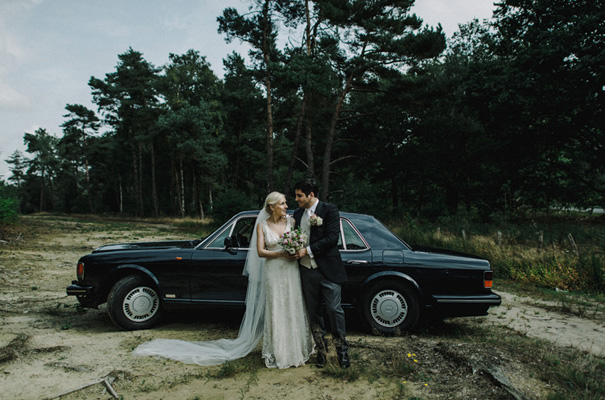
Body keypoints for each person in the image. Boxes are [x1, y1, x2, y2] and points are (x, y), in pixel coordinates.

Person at [132, 192, 314, 369]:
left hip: (290, 270)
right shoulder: (262, 226)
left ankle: (296, 350)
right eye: (282, 203)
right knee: (276, 308)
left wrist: (298, 248)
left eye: (285, 203)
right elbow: (260, 252)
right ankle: (281, 352)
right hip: (273, 271)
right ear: (272, 207)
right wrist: (282, 253)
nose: (286, 206)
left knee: (293, 306)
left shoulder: (292, 221)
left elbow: (303, 237)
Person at [293, 178, 350, 369]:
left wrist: (307, 250)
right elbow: (295, 237)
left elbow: (332, 238)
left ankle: (342, 352)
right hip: (306, 271)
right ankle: (321, 351)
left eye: (300, 195)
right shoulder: (298, 214)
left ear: (311, 195)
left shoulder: (329, 210)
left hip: (328, 270)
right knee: (314, 312)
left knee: (334, 310)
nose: (296, 199)